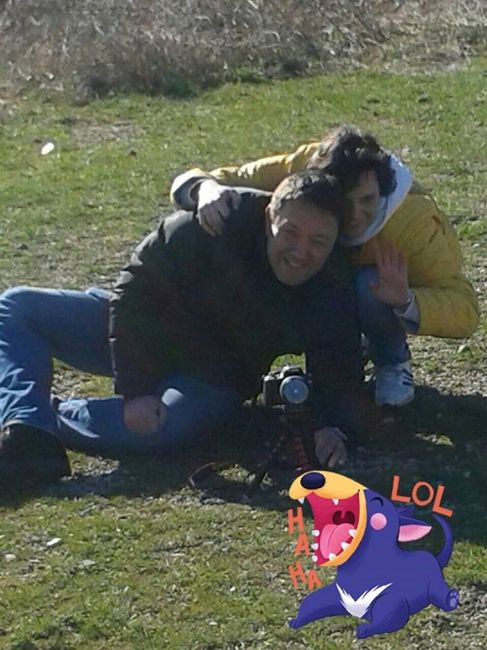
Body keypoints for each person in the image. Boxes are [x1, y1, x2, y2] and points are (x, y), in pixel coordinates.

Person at [0, 170, 371, 488]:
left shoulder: (332, 280)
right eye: (290, 233)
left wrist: (330, 426)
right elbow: (134, 291)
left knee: (163, 429)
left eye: (318, 242)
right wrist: (135, 390)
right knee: (17, 306)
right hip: (146, 334)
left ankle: (48, 414)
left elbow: (338, 362)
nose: (301, 251)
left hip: (211, 381)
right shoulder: (216, 219)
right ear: (269, 215)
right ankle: (29, 433)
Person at [170, 125, 479, 407]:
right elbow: (214, 178)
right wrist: (204, 189)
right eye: (344, 202)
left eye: (367, 200)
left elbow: (465, 310)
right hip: (315, 285)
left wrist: (406, 301)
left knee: (368, 286)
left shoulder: (415, 221)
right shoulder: (302, 170)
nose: (355, 216)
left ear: (384, 191)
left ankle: (391, 360)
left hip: (371, 293)